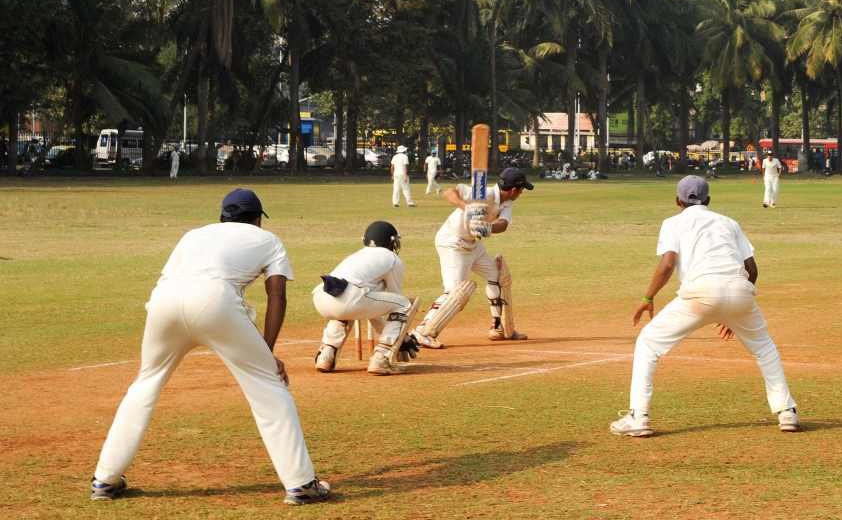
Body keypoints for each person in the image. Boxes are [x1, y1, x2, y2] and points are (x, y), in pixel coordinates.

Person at [90, 189, 329, 505]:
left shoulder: (193, 235)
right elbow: (277, 296)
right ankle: (300, 484)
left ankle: (105, 480)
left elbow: (177, 278)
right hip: (215, 301)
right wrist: (266, 354)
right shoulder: (268, 240)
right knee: (268, 387)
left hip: (164, 302)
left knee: (145, 383)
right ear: (258, 219)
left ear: (222, 217)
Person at [610, 176, 798, 437]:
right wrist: (734, 309)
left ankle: (638, 417)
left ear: (678, 201)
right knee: (764, 348)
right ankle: (786, 412)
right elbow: (751, 269)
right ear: (708, 200)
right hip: (739, 291)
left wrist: (647, 298)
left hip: (700, 293)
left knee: (648, 343)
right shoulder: (728, 222)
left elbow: (667, 265)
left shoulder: (673, 223)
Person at [411, 167, 534, 348]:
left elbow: (503, 224)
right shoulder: (482, 192)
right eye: (522, 189)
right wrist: (466, 207)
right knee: (454, 292)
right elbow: (449, 192)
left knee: (498, 276)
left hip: (474, 246)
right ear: (514, 190)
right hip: (453, 243)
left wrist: (488, 228)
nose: (522, 193)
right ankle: (421, 332)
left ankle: (498, 327)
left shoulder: (507, 203)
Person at [312, 221, 421, 375]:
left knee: (347, 309)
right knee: (403, 303)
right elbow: (394, 300)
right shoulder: (392, 258)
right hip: (351, 298)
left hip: (321, 297)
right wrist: (402, 337)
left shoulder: (357, 255)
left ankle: (326, 354)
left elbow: (372, 310)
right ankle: (381, 357)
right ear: (391, 241)